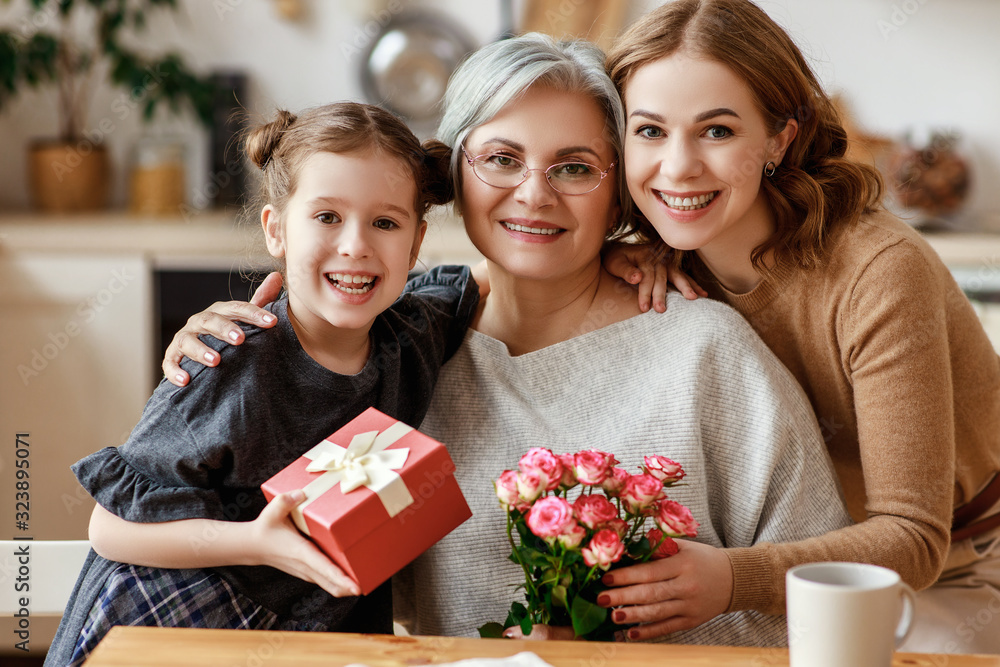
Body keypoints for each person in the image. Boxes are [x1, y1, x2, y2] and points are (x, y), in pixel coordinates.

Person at [159, 33, 853, 647]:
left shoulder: (706, 351)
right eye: (501, 158)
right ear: (453, 176)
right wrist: (235, 353)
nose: (535, 194)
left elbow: (825, 600)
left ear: (619, 195)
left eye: (575, 167)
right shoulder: (399, 350)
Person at [599, 0, 1000, 654]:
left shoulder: (877, 272)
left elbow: (914, 537)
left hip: (954, 566)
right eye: (648, 130)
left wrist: (732, 578)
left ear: (781, 139)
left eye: (717, 131)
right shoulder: (667, 249)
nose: (677, 167)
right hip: (788, 560)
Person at [45, 102, 480, 667]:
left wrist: (628, 253)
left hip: (306, 643)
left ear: (416, 243)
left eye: (386, 223)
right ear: (276, 230)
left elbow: (486, 280)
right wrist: (255, 542)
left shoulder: (414, 335)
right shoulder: (232, 361)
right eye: (326, 217)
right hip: (167, 626)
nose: (356, 245)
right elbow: (109, 529)